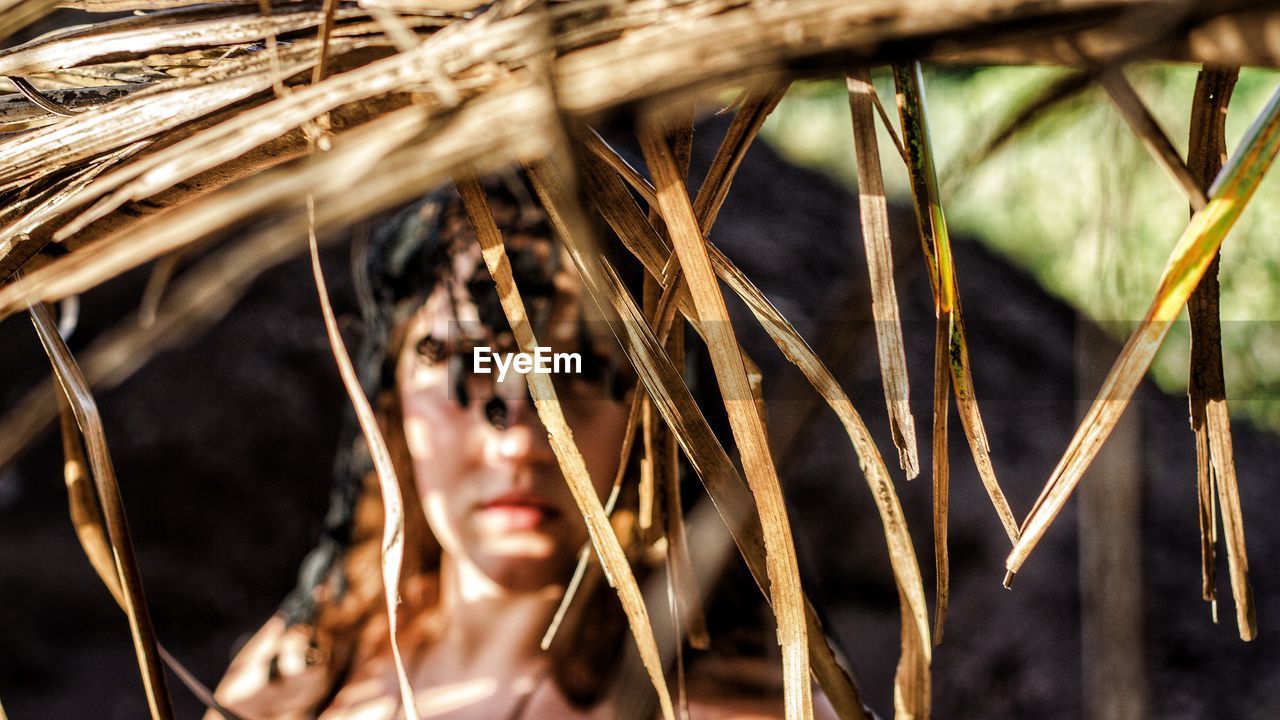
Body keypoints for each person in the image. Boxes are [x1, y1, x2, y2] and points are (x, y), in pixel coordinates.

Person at [206, 174, 839, 720]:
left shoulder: (745, 703)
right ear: (391, 398)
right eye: (463, 361)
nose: (522, 444)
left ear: (659, 412)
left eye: (582, 369)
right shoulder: (305, 666)